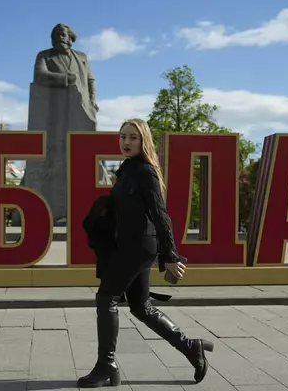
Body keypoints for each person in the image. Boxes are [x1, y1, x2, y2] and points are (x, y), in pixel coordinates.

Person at [77, 118, 214, 388]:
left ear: (143, 141)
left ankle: (107, 364)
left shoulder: (145, 172)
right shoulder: (126, 170)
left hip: (139, 245)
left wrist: (171, 256)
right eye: (123, 136)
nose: (126, 142)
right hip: (128, 245)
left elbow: (160, 215)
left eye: (133, 137)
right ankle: (191, 347)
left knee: (106, 298)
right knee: (141, 307)